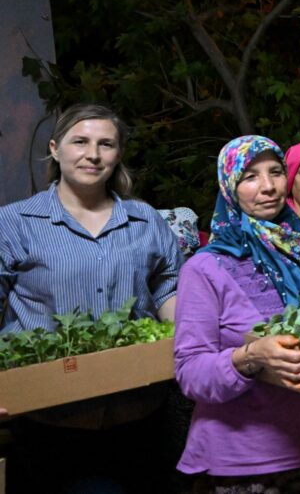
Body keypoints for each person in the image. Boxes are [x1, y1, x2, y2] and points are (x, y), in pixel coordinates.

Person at [0, 103, 183, 493]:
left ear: (118, 155)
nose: (93, 154)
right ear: (54, 148)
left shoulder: (145, 219)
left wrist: (191, 339)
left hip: (140, 409)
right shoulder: (14, 223)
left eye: (106, 144)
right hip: (49, 417)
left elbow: (168, 288)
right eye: (79, 141)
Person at [172, 135, 300, 490]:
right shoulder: (205, 268)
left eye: (275, 172)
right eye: (250, 177)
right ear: (229, 187)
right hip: (249, 464)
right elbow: (190, 373)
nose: (268, 187)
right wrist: (250, 356)